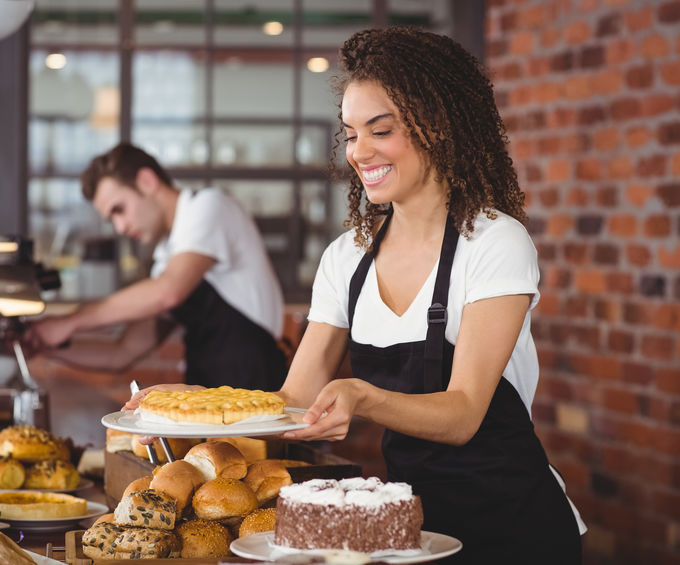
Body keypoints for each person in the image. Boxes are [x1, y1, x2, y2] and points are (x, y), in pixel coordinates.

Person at [128, 26, 585, 564]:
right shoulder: (348, 258)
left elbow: (462, 414)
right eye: (350, 133)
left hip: (517, 531)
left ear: (436, 127)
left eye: (380, 130)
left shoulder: (494, 242)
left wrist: (362, 396)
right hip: (409, 534)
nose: (359, 152)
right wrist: (186, 407)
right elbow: (291, 403)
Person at [23, 143, 287, 392]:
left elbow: (168, 292)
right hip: (206, 406)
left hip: (256, 397)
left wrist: (70, 321)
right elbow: (122, 353)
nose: (120, 227)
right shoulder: (167, 258)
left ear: (147, 181)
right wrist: (44, 345)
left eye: (119, 209)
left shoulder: (208, 207)